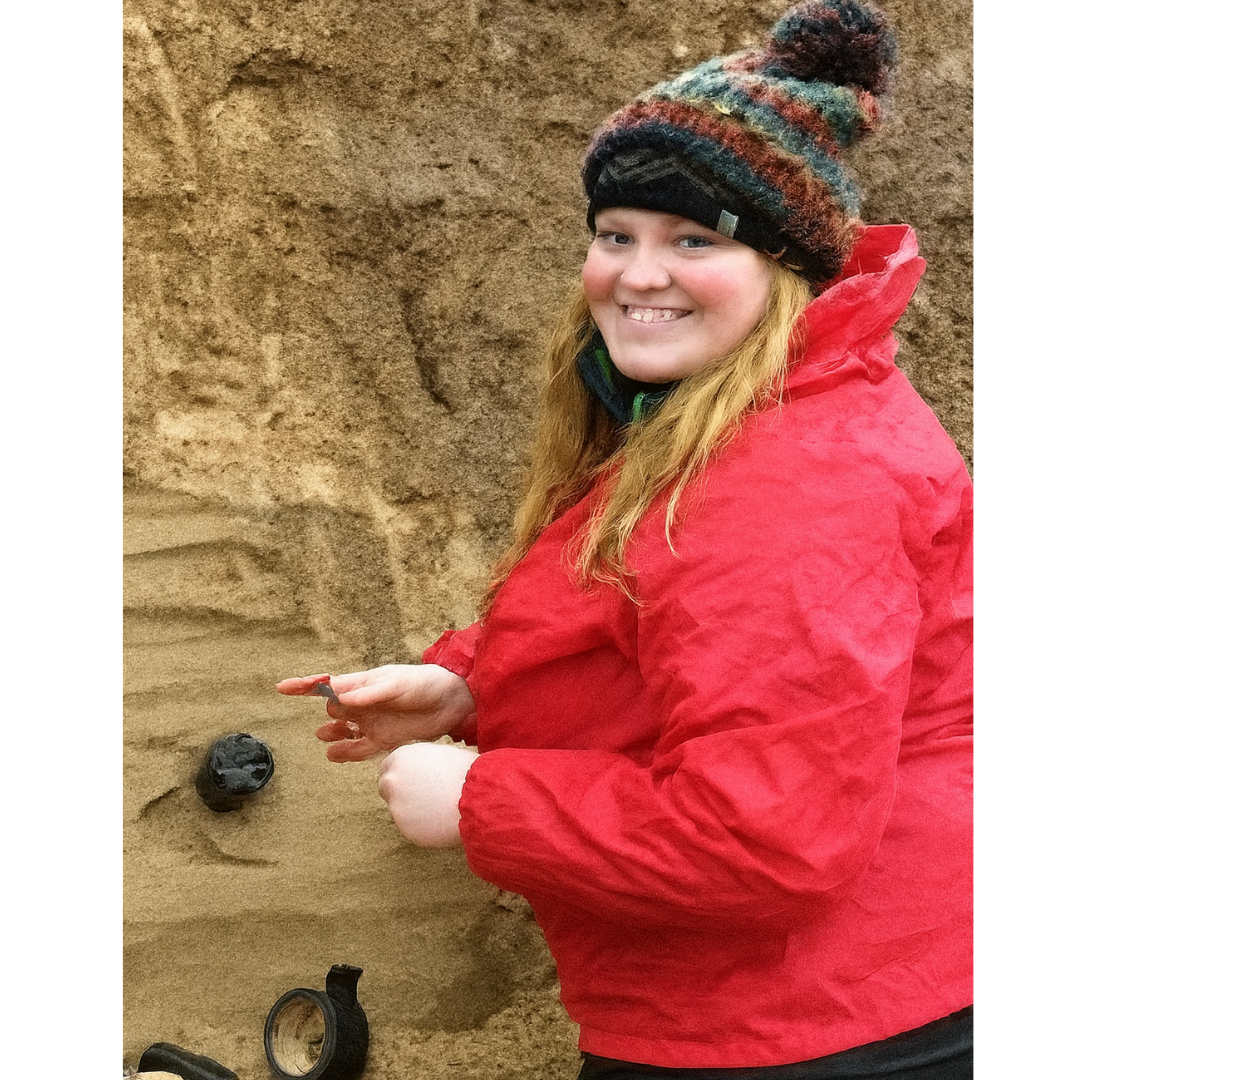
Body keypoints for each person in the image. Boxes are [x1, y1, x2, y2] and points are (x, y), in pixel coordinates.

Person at [278, 2, 972, 1076]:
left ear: (788, 266)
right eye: (617, 235)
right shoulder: (715, 413)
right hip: (795, 991)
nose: (639, 276)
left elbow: (763, 839)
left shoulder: (795, 484)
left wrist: (479, 799)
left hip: (813, 1024)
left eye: (696, 239)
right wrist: (468, 684)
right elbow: (650, 623)